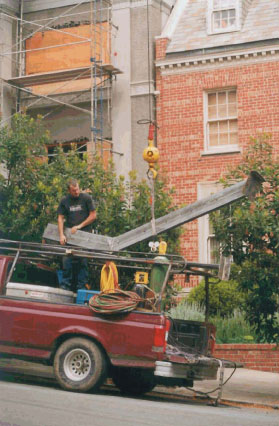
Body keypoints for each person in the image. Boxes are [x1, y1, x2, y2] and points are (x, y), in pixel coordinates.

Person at [57, 178, 96, 291]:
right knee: (66, 261)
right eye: (74, 190)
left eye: (77, 189)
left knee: (83, 262)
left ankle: (81, 288)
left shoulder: (86, 198)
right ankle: (65, 287)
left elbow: (93, 216)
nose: (77, 192)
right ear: (69, 190)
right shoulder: (64, 201)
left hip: (84, 236)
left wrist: (79, 226)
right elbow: (60, 218)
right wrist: (61, 235)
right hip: (70, 237)